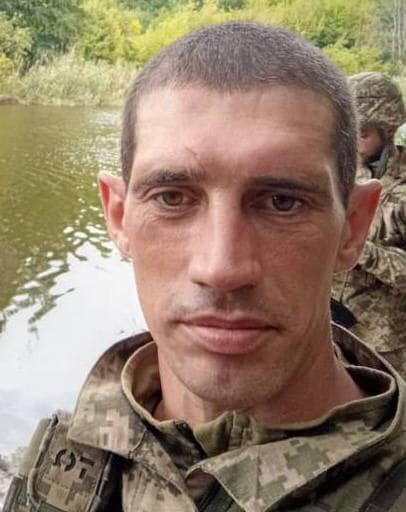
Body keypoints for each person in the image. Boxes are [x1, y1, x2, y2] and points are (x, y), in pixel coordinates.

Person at [4, 23, 406, 512]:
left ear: (355, 226)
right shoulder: (64, 460)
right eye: (172, 198)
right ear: (119, 216)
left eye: (282, 202)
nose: (222, 268)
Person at [332, 72, 406, 377]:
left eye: (363, 134)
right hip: (334, 329)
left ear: (387, 132)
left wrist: (358, 247)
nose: (354, 144)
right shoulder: (345, 176)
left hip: (385, 343)